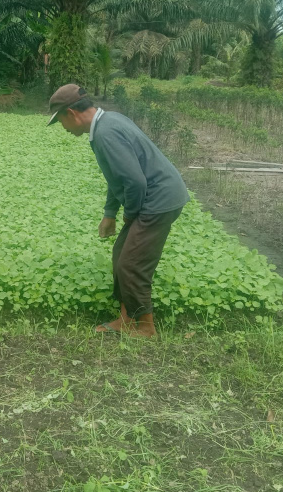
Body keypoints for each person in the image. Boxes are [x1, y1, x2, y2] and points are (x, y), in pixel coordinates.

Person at [47, 84, 189, 338]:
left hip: (158, 200)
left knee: (132, 263)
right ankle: (126, 319)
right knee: (120, 255)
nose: (63, 129)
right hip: (155, 197)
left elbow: (135, 182)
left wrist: (130, 215)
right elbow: (117, 178)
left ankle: (145, 327)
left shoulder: (105, 134)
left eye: (60, 122)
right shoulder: (108, 121)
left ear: (72, 113)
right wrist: (110, 213)